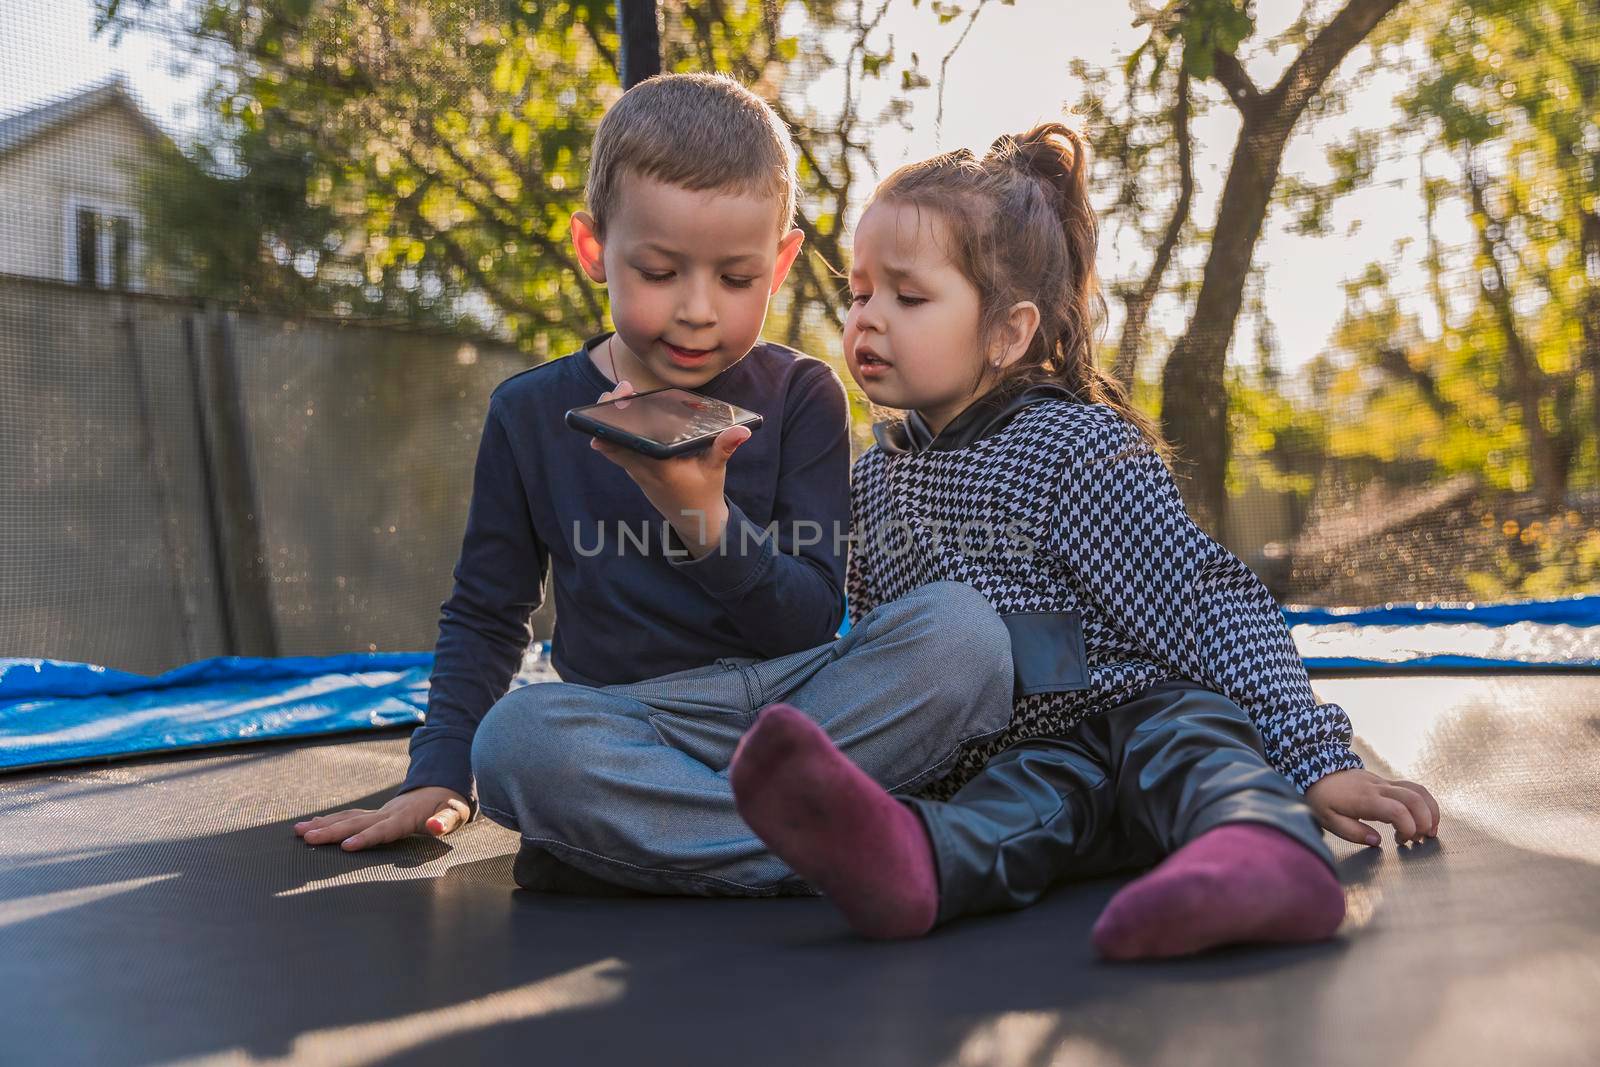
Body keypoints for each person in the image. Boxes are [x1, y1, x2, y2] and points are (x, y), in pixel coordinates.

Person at [729, 123, 1442, 956]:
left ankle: (1259, 854)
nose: (868, 320)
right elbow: (894, 657)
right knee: (1004, 810)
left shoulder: (1073, 450)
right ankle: (914, 860)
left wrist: (1315, 755)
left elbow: (1208, 608)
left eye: (908, 297)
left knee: (1200, 752)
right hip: (1034, 763)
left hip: (1146, 713)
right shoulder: (873, 483)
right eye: (858, 294)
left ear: (1007, 332)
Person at [294, 74, 1014, 894]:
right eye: (662, 271)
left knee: (966, 634)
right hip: (637, 723)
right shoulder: (529, 414)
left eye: (736, 279)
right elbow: (488, 611)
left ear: (780, 264)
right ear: (594, 248)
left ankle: (672, 841)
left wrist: (703, 517)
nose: (698, 309)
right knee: (517, 743)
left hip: (800, 711)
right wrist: (441, 768)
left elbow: (811, 620)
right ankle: (835, 842)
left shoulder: (805, 394)